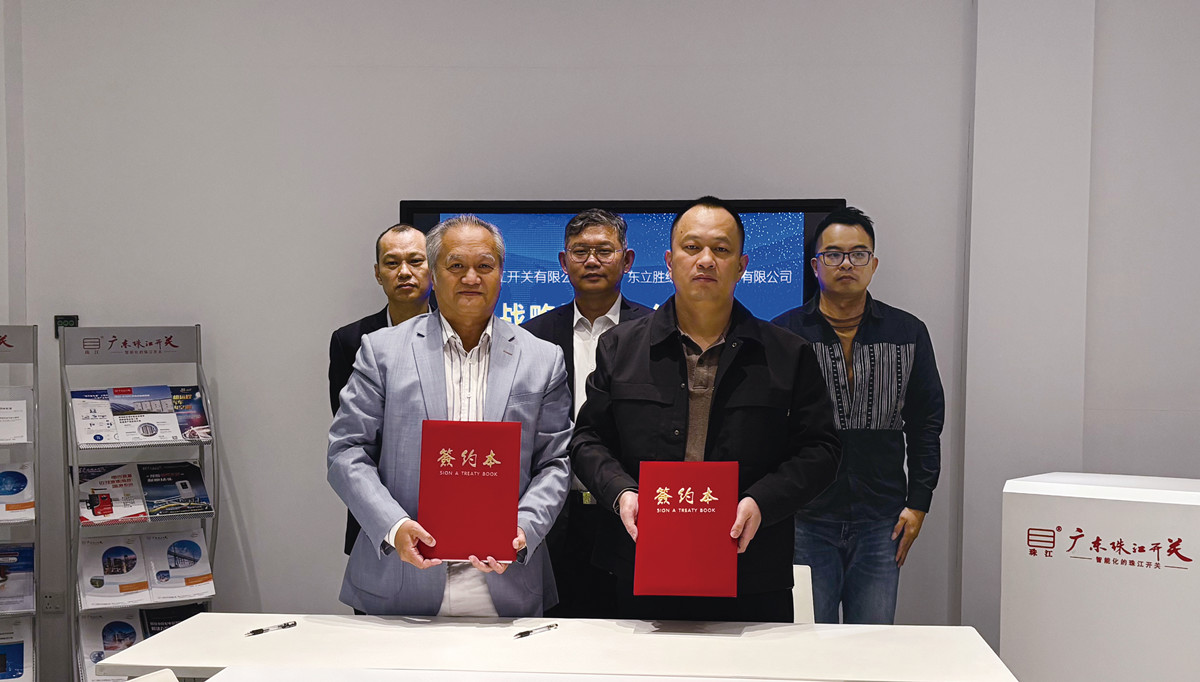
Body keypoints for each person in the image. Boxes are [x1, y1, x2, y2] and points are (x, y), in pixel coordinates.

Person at [570, 196, 841, 623]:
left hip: (751, 567)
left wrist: (762, 501)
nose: (706, 260)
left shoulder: (788, 354)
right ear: (669, 261)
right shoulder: (620, 347)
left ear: (742, 265)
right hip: (639, 563)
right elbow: (588, 440)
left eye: (721, 249)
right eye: (692, 247)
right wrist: (622, 492)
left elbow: (821, 449)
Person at [327, 214, 572, 617]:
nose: (470, 278)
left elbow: (555, 462)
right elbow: (346, 451)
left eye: (484, 266)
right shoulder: (381, 351)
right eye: (456, 265)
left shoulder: (542, 358)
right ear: (434, 273)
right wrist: (394, 526)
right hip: (401, 577)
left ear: (501, 273)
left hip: (506, 582)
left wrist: (522, 529)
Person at [772, 206, 944, 625]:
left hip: (882, 520)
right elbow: (767, 429)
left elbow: (926, 424)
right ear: (815, 265)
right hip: (806, 518)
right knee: (808, 641)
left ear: (874, 264)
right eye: (833, 254)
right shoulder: (784, 334)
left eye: (858, 254)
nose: (846, 263)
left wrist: (919, 503)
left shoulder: (908, 333)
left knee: (873, 643)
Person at [522, 208, 653, 618]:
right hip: (555, 516)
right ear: (564, 262)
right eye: (580, 252)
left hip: (632, 514)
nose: (592, 260)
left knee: (631, 634)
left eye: (603, 250)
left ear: (627, 260)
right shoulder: (532, 337)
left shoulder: (656, 333)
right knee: (556, 636)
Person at [328, 223, 434, 556]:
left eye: (415, 261)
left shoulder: (456, 333)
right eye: (392, 263)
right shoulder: (350, 340)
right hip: (376, 505)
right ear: (378, 273)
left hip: (442, 492)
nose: (404, 272)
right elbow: (350, 433)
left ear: (433, 267)